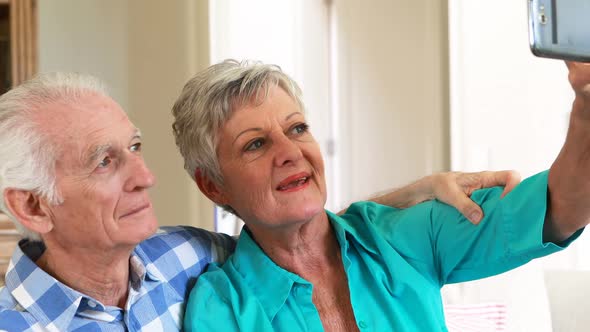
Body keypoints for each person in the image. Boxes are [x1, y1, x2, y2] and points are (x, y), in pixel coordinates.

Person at [0, 72, 514, 331]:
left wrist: (408, 194)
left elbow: (292, 232)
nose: (146, 177)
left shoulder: (182, 258)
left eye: (134, 148)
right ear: (32, 207)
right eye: (104, 162)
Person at [174, 60, 590, 331]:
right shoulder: (222, 308)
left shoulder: (399, 236)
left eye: (297, 128)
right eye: (255, 144)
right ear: (213, 185)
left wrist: (585, 111)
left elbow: (562, 206)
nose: (290, 152)